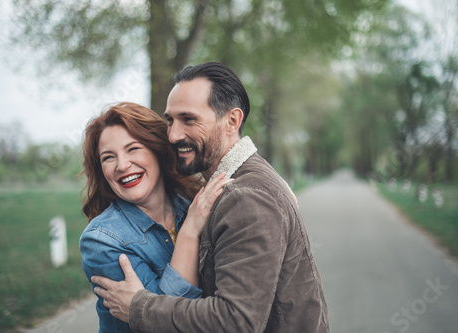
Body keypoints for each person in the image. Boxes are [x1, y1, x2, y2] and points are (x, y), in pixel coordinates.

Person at [92, 62, 330, 332]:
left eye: (189, 119)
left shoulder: (247, 196)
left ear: (232, 121)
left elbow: (234, 321)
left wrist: (139, 306)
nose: (173, 135)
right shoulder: (234, 185)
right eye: (170, 120)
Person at [79, 102, 232, 332]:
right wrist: (189, 232)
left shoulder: (195, 202)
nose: (122, 165)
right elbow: (163, 322)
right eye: (108, 157)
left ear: (157, 150)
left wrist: (274, 190)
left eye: (133, 149)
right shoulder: (101, 241)